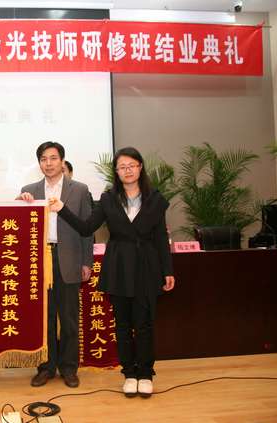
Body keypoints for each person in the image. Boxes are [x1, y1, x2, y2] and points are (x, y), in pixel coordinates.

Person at [49, 146, 175, 398]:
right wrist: (62, 209)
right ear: (116, 172)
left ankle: (145, 374)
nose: (127, 171)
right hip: (119, 266)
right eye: (122, 167)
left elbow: (161, 237)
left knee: (145, 324)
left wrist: (167, 270)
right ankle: (129, 374)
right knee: (123, 324)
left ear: (140, 167)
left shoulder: (155, 199)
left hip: (147, 266)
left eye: (132, 165)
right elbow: (86, 228)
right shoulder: (108, 199)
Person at [17, 141, 93, 389]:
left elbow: (87, 230)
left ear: (62, 161)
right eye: (43, 159)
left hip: (68, 257)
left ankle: (69, 369)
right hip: (39, 260)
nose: (48, 163)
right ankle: (46, 368)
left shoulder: (79, 190)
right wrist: (19, 204)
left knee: (69, 318)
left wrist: (86, 261)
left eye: (53, 158)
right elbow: (17, 226)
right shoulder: (29, 190)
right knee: (43, 318)